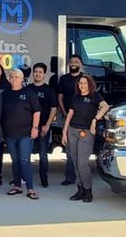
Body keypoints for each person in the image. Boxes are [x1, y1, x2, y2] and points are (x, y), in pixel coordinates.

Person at [62, 74, 110, 203]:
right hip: (72, 131)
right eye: (80, 83)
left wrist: (95, 119)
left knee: (83, 163)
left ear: (90, 84)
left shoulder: (95, 96)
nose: (82, 85)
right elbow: (69, 115)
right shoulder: (76, 97)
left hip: (86, 132)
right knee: (76, 162)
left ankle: (88, 190)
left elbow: (105, 107)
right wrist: (64, 132)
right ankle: (80, 188)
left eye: (85, 83)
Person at [1, 68, 41, 200]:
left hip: (25, 133)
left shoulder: (28, 93)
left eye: (16, 77)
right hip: (10, 133)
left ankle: (30, 189)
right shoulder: (5, 94)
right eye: (12, 77)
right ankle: (17, 186)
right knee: (15, 160)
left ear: (22, 79)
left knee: (24, 160)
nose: (14, 79)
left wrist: (35, 127)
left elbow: (36, 111)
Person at [57, 54, 84, 186]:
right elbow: (60, 98)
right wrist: (64, 112)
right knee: (69, 148)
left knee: (82, 149)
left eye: (76, 62)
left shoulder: (85, 79)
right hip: (66, 117)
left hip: (82, 118)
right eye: (71, 62)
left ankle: (81, 177)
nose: (73, 64)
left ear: (80, 64)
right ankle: (70, 177)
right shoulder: (63, 79)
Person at [31, 62, 58, 188]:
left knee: (43, 153)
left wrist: (47, 126)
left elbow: (53, 109)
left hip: (43, 127)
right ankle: (23, 178)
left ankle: (43, 178)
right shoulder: (28, 89)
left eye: (40, 72)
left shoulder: (49, 90)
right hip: (29, 127)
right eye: (35, 71)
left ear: (44, 74)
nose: (37, 74)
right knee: (25, 154)